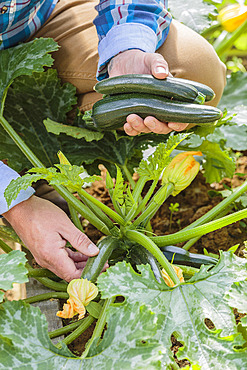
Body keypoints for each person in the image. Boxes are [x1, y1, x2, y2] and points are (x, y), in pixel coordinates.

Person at [0, 0, 226, 282]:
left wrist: (127, 50)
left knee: (193, 71)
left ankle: (34, 153)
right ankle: (21, 170)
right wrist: (18, 206)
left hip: (32, 21)